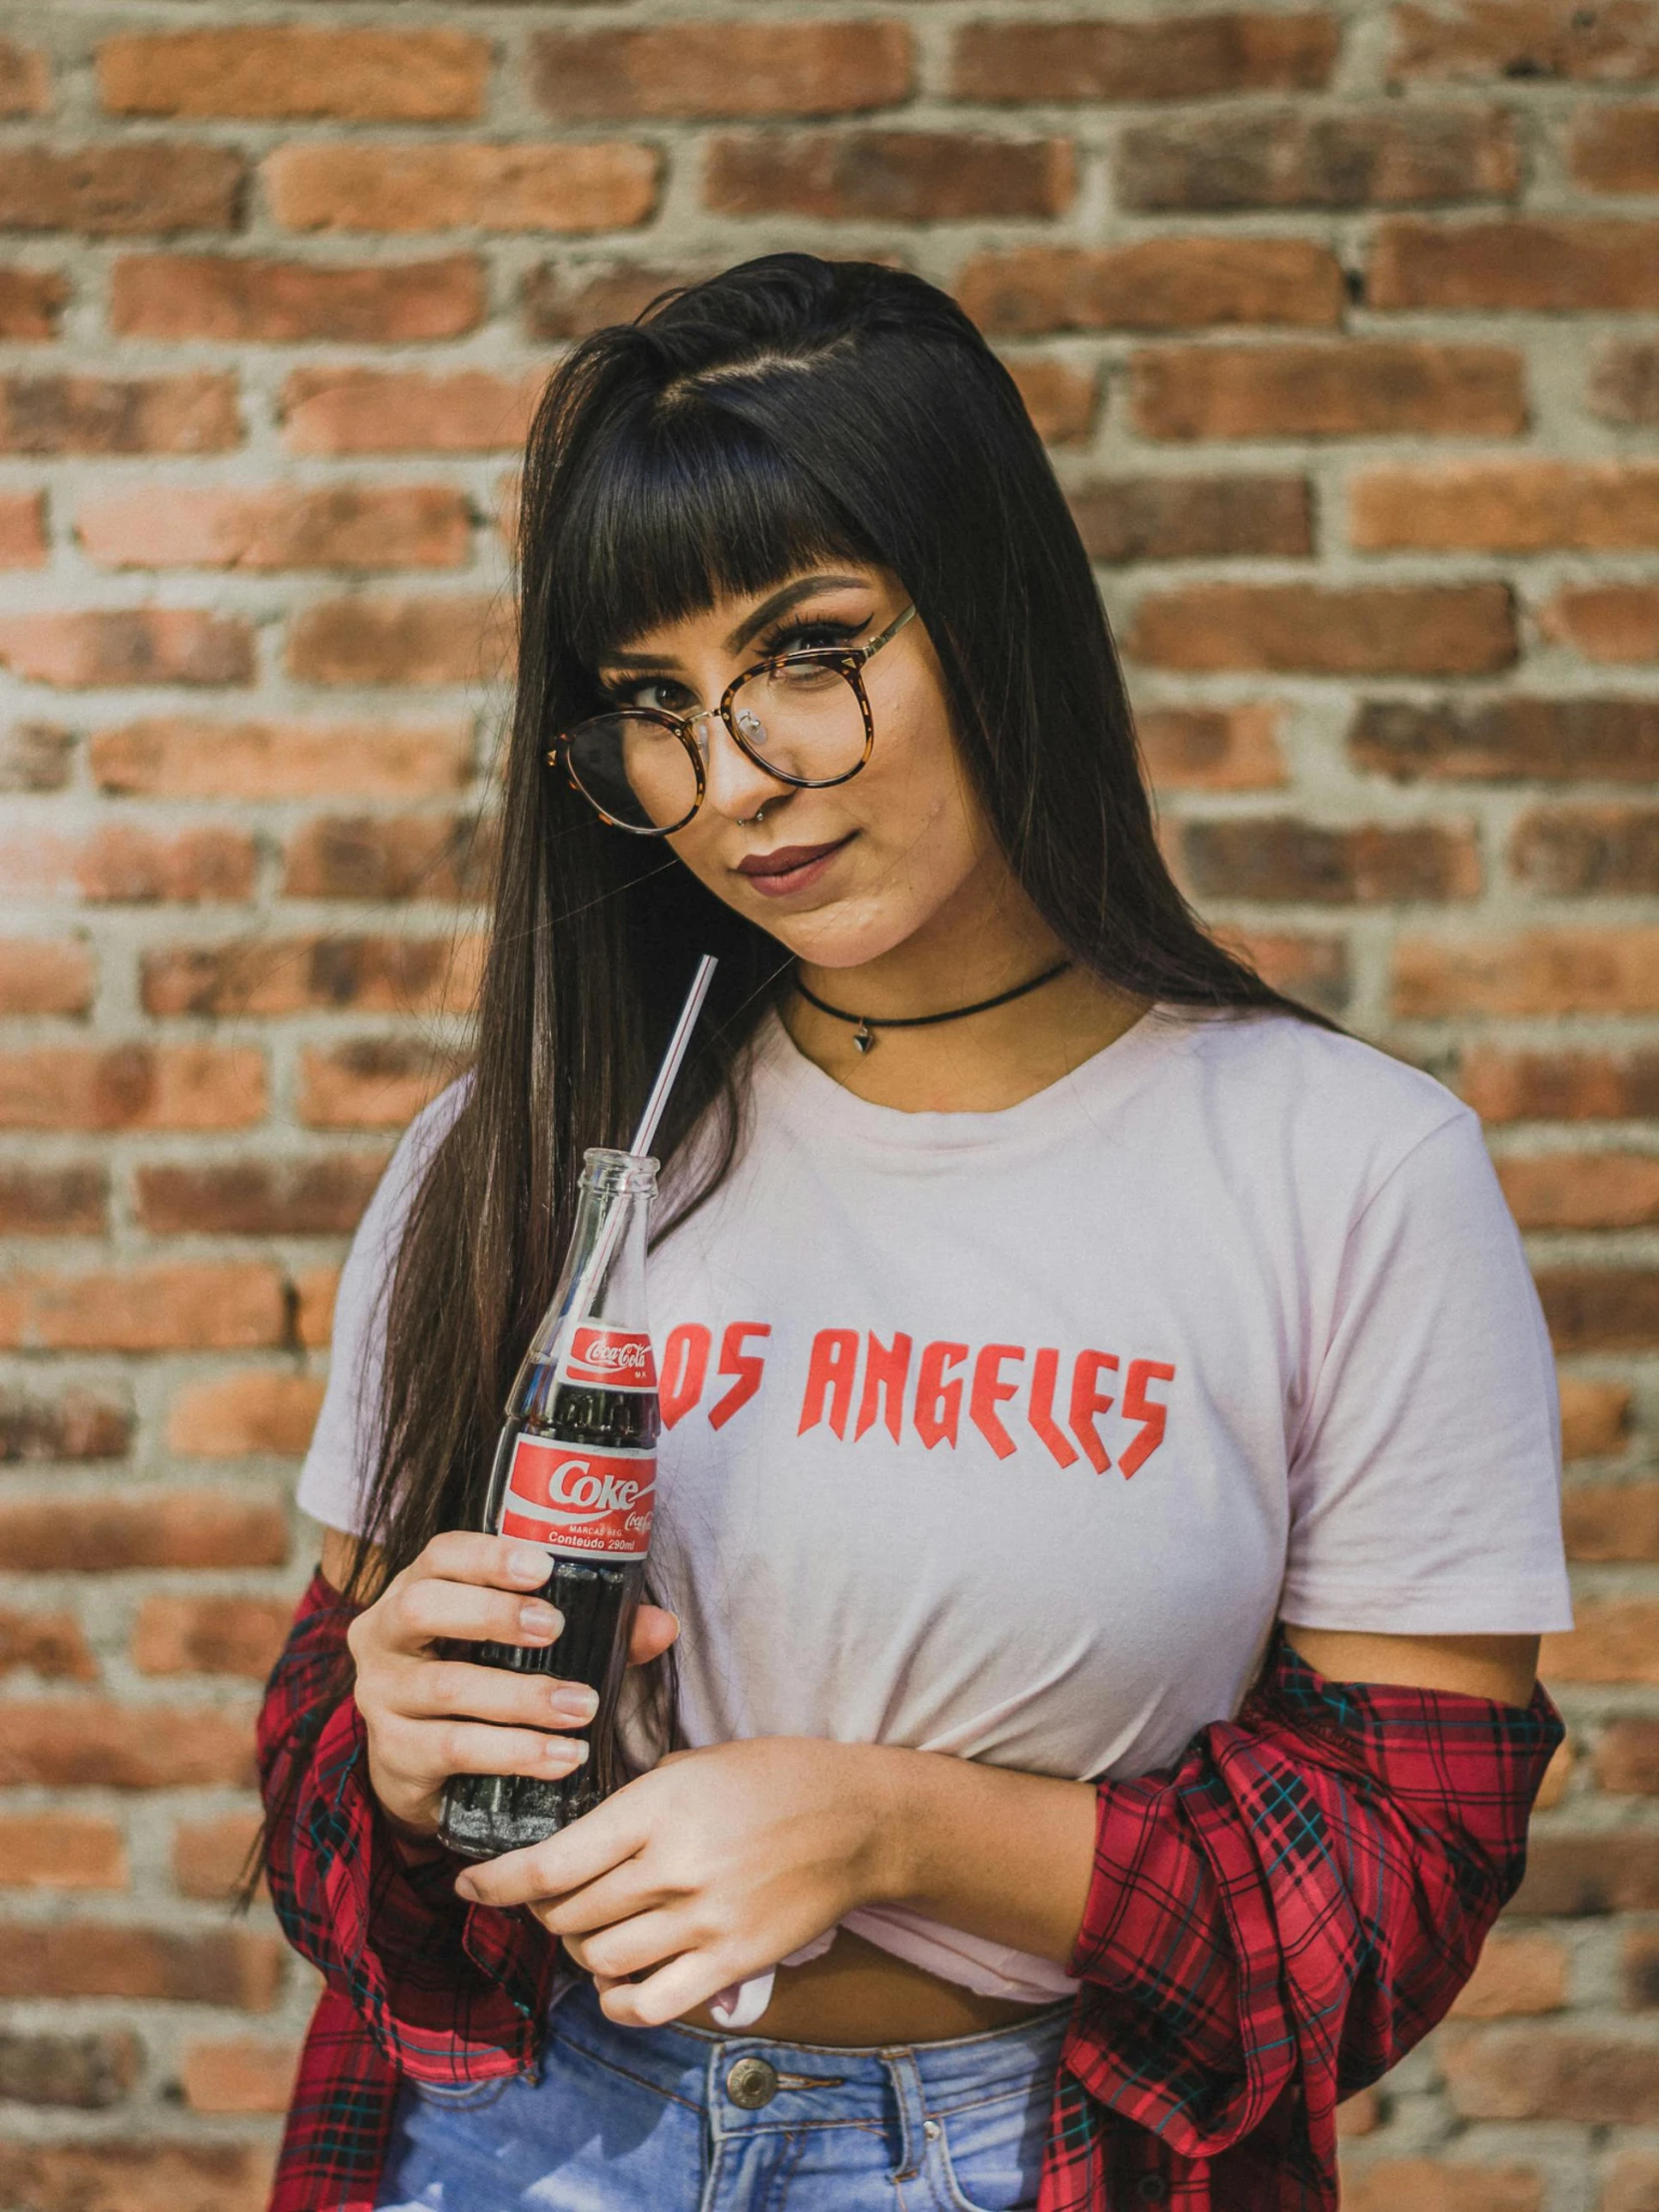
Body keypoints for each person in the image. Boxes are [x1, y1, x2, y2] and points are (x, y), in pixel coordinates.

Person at [258, 253, 1571, 2212]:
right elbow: (310, 1773)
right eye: (653, 703)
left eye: (809, 649)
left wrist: (893, 1826)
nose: (735, 785)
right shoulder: (520, 1151)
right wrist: (384, 1739)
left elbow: (1399, 1882)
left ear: (993, 610)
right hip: (515, 2134)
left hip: (1022, 2153)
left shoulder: (1348, 1166)